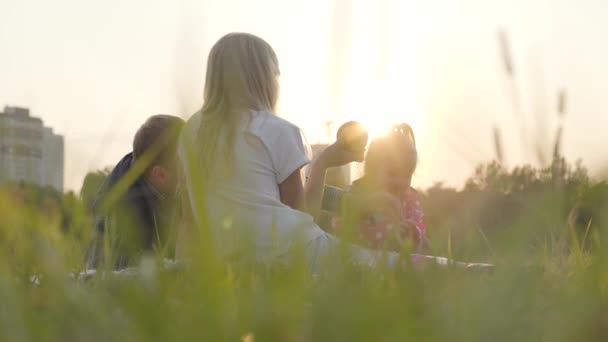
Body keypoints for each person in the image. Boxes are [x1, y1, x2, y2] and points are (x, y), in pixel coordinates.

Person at [177, 32, 400, 272]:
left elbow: (189, 219)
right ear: (262, 78)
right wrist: (323, 162)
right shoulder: (275, 130)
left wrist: (186, 272)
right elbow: (303, 218)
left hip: (233, 264)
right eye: (276, 74)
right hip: (295, 255)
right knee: (409, 267)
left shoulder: (191, 132)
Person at [86, 115, 185, 270]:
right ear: (159, 174)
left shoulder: (140, 168)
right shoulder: (127, 222)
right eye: (188, 164)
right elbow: (128, 284)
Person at [323, 124, 428, 251]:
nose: (400, 181)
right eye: (393, 174)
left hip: (399, 263)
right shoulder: (357, 195)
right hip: (361, 260)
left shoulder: (409, 200)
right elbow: (343, 228)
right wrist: (388, 231)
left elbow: (419, 232)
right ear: (372, 170)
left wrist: (414, 233)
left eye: (407, 175)